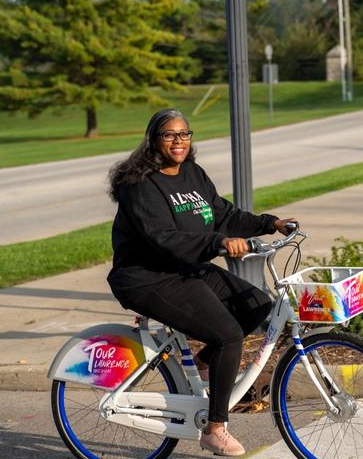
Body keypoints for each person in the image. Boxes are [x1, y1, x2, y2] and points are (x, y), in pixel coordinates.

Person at [107, 108, 296, 457]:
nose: (178, 141)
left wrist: (271, 223)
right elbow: (163, 238)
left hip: (185, 268)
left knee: (257, 305)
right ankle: (215, 429)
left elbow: (223, 214)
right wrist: (218, 243)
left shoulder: (192, 173)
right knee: (228, 335)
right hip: (148, 276)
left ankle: (207, 364)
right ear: (153, 140)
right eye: (169, 134)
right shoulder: (139, 185)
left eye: (185, 134)